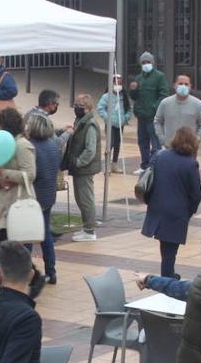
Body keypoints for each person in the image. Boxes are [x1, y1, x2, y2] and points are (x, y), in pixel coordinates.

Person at [141, 127, 201, 279]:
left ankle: (168, 274)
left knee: (166, 248)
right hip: (176, 212)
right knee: (170, 251)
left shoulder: (161, 156)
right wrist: (190, 211)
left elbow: (149, 179)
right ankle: (167, 278)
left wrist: (150, 201)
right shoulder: (190, 164)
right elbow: (196, 193)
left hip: (158, 207)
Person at [0, 108, 36, 254]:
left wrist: (5, 173)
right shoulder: (0, 143)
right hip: (3, 204)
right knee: (3, 251)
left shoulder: (22, 145)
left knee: (19, 254)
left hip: (19, 203)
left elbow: (30, 174)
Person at [25, 112, 61, 283]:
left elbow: (31, 174)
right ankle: (51, 271)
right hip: (48, 195)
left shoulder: (31, 147)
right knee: (45, 233)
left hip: (35, 196)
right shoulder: (53, 145)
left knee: (28, 235)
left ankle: (27, 272)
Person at [62, 94, 103, 242]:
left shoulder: (89, 124)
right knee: (81, 199)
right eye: (75, 105)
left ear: (89, 107)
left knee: (85, 199)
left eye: (80, 105)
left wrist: (78, 162)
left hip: (84, 168)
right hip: (80, 167)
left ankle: (90, 230)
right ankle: (86, 227)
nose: (77, 108)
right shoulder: (80, 121)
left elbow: (90, 150)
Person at [129, 52, 171, 169]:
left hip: (153, 117)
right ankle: (145, 165)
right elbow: (134, 97)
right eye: (143, 62)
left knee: (155, 143)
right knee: (142, 142)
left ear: (152, 63)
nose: (146, 64)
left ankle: (155, 165)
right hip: (141, 116)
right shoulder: (138, 78)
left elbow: (164, 94)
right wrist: (133, 90)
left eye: (148, 62)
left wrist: (154, 107)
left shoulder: (159, 76)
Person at [155, 75, 201, 142]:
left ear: (190, 87)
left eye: (186, 84)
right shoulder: (165, 103)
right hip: (170, 146)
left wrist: (196, 140)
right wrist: (162, 139)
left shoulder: (198, 104)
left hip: (190, 148)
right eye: (180, 84)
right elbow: (157, 122)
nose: (183, 86)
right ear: (174, 85)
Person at [97, 73, 131, 174]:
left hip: (120, 124)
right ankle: (107, 165)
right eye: (116, 82)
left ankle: (114, 165)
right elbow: (100, 108)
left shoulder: (123, 96)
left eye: (120, 82)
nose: (118, 84)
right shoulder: (106, 96)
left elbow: (129, 109)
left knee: (117, 144)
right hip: (110, 124)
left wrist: (125, 118)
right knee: (110, 144)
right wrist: (108, 118)